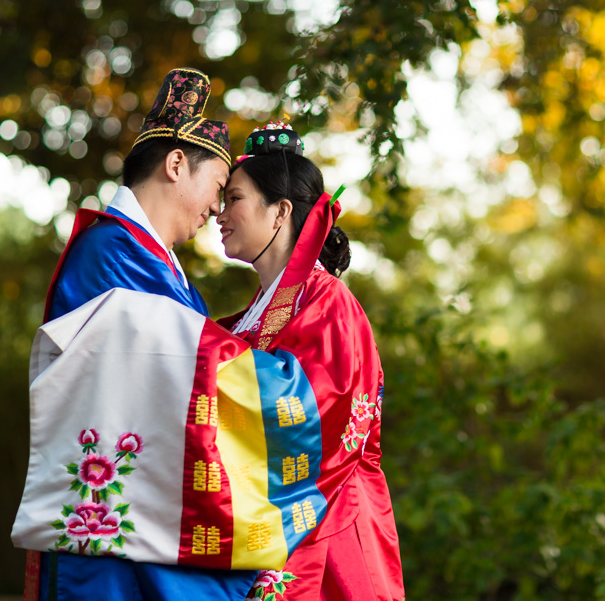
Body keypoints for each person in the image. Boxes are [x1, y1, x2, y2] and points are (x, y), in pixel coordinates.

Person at [21, 67, 258, 601]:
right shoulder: (112, 254)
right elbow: (178, 365)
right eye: (218, 188)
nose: (217, 209)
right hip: (115, 530)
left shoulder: (150, 260)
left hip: (144, 517)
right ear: (177, 164)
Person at [216, 122, 405, 601]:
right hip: (281, 527)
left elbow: (317, 414)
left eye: (234, 198)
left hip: (330, 534)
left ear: (280, 212)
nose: (219, 214)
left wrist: (201, 363)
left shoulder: (331, 302)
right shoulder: (254, 314)